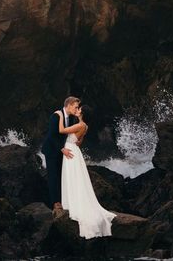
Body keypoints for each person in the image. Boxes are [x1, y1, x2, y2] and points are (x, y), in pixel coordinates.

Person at [58, 104, 116, 239]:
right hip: (74, 150)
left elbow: (61, 130)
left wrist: (60, 115)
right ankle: (71, 202)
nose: (77, 110)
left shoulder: (80, 125)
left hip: (70, 150)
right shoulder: (85, 127)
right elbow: (78, 143)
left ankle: (71, 203)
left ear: (82, 113)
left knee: (72, 177)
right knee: (76, 178)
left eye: (79, 109)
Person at [41, 96, 80, 215]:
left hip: (62, 150)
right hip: (51, 150)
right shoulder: (56, 115)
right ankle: (56, 203)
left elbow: (68, 134)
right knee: (53, 176)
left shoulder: (72, 118)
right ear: (68, 105)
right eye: (75, 107)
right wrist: (62, 149)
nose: (77, 109)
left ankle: (63, 200)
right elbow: (52, 135)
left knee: (60, 175)